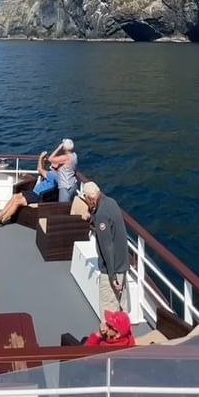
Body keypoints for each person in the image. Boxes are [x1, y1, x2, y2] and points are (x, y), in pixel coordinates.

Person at [81, 181, 129, 315]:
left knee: (109, 312)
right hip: (122, 264)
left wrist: (112, 276)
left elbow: (107, 246)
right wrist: (91, 219)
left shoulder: (101, 214)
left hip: (112, 269)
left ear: (90, 198)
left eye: (86, 199)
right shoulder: (111, 202)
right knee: (122, 309)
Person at [0, 150, 58, 225]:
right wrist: (43, 161)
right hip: (34, 193)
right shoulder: (54, 174)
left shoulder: (53, 175)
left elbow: (39, 169)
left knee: (17, 202)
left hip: (37, 196)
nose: (52, 162)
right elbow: (42, 172)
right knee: (15, 196)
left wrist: (40, 157)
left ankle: (1, 221)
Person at [61, 309, 135, 350]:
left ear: (118, 334)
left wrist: (98, 334)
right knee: (84, 339)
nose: (105, 325)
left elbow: (84, 356)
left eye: (109, 325)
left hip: (96, 369)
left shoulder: (108, 350)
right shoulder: (127, 338)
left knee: (66, 338)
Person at [48, 137, 78, 203]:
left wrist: (59, 148)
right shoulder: (74, 155)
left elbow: (50, 159)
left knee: (62, 207)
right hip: (73, 184)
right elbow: (67, 166)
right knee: (70, 206)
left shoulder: (65, 158)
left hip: (65, 186)